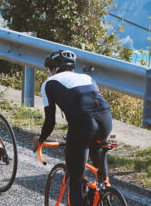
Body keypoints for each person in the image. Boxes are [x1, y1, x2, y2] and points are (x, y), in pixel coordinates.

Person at [33, 49, 112, 206]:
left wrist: (40, 139)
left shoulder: (49, 83)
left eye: (49, 68)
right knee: (96, 152)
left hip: (83, 124)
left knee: (76, 179)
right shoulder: (87, 77)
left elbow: (50, 121)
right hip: (106, 121)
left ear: (54, 68)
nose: (49, 73)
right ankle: (106, 194)